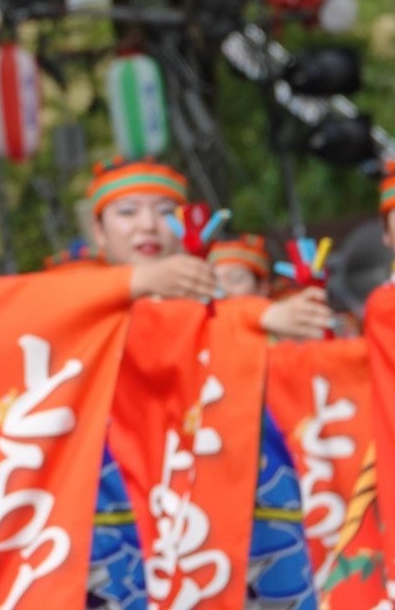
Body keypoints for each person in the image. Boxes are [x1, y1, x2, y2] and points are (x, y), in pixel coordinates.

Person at [86, 156, 330, 607]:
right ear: (98, 232)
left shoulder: (230, 316)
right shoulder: (86, 317)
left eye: (164, 212)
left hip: (238, 507)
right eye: (127, 211)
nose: (147, 226)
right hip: (122, 514)